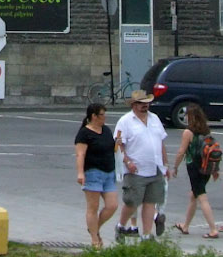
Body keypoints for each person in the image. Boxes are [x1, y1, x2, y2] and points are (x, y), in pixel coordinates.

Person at [112, 90, 170, 241]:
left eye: (147, 103)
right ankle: (121, 226)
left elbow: (161, 142)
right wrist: (127, 161)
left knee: (150, 202)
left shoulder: (155, 119)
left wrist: (165, 164)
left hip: (155, 168)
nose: (145, 106)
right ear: (134, 105)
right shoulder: (125, 121)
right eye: (142, 103)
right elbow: (119, 146)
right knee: (132, 202)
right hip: (135, 169)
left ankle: (146, 234)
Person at [73, 100, 119, 248]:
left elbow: (111, 148)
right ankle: (95, 239)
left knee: (112, 205)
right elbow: (80, 154)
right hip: (93, 172)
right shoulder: (84, 133)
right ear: (94, 116)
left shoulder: (106, 130)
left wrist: (117, 143)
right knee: (93, 207)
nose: (104, 117)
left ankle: (95, 228)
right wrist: (80, 173)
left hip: (109, 171)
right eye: (102, 115)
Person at [174, 105, 221, 238]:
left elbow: (181, 152)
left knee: (202, 197)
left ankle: (213, 229)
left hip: (194, 166)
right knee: (193, 195)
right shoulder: (206, 131)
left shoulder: (188, 132)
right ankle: (185, 226)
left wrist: (175, 167)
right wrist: (214, 170)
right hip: (206, 167)